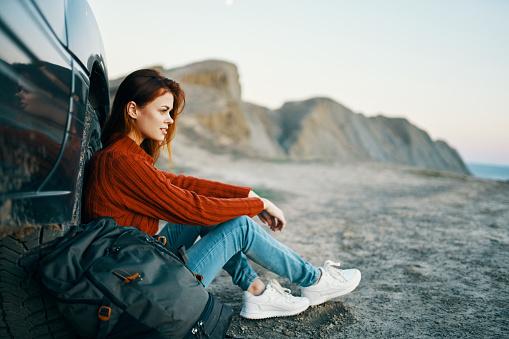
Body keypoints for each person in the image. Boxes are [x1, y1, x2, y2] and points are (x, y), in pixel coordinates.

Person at [82, 69, 361, 319]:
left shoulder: (123, 156)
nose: (169, 120)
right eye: (163, 110)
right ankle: (313, 281)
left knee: (214, 217)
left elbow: (180, 184)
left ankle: (258, 292)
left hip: (140, 263)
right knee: (238, 226)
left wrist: (247, 194)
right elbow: (193, 208)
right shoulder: (120, 163)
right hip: (141, 286)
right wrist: (255, 204)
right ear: (132, 110)